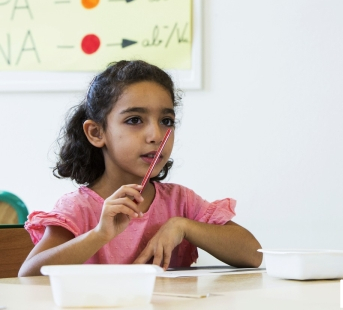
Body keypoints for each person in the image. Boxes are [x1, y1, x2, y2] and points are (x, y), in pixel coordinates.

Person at [20, 60, 262, 276]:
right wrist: (99, 234)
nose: (156, 135)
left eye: (166, 121)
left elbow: (253, 254)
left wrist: (182, 226)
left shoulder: (181, 202)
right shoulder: (78, 209)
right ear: (96, 132)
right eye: (134, 120)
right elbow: (29, 275)